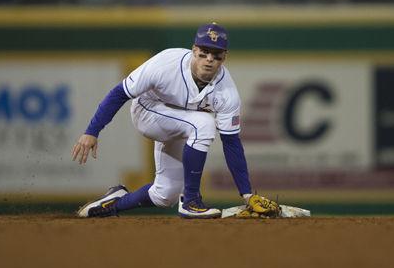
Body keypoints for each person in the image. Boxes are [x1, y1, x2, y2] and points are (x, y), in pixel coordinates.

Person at [71, 22, 278, 218]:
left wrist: (247, 194)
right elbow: (119, 93)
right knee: (204, 123)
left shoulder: (227, 92)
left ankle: (113, 203)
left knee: (164, 195)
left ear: (224, 57)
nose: (209, 59)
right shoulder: (166, 63)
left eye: (216, 55)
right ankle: (191, 201)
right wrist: (92, 131)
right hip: (148, 112)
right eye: (203, 52)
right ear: (194, 50)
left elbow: (231, 142)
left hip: (181, 122)